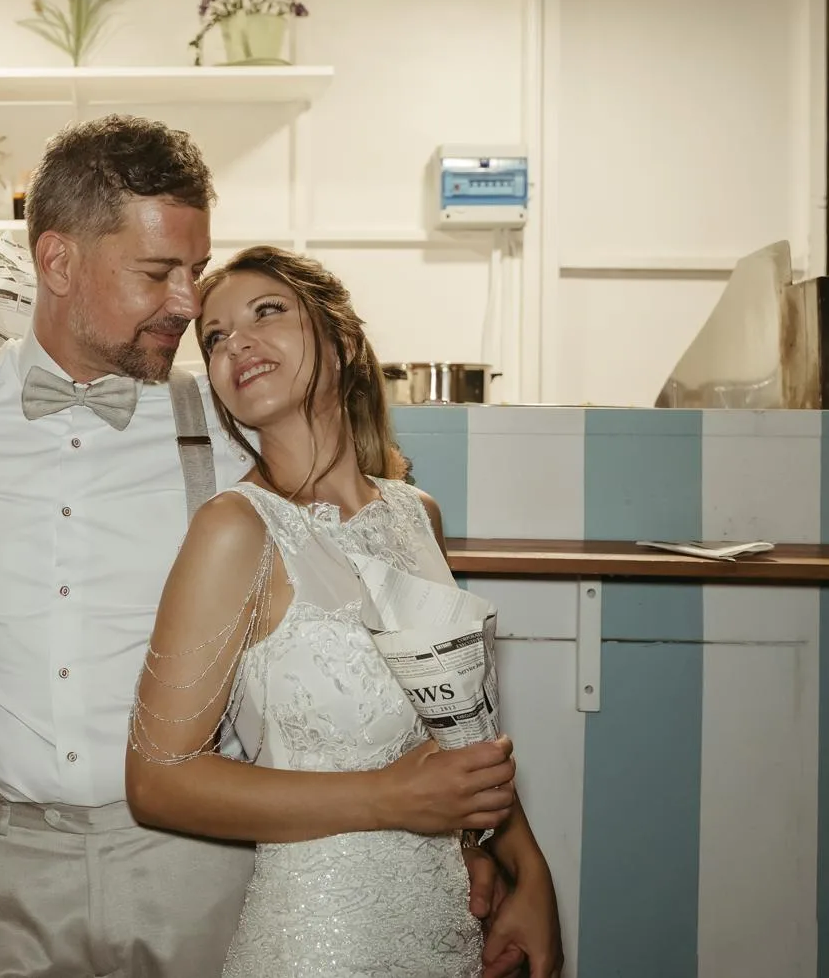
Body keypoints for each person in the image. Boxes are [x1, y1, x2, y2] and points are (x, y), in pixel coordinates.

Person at [0, 115, 524, 977]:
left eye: (194, 271)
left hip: (194, 858)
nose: (187, 302)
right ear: (59, 262)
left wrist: (480, 846)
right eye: (157, 273)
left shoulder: (229, 417)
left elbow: (377, 587)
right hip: (0, 858)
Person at [126, 246, 564, 978]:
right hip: (321, 938)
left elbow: (460, 739)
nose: (237, 343)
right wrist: (392, 798)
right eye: (216, 337)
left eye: (267, 313)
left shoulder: (415, 514)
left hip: (447, 927)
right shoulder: (235, 529)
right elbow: (157, 781)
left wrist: (528, 874)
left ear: (345, 342)